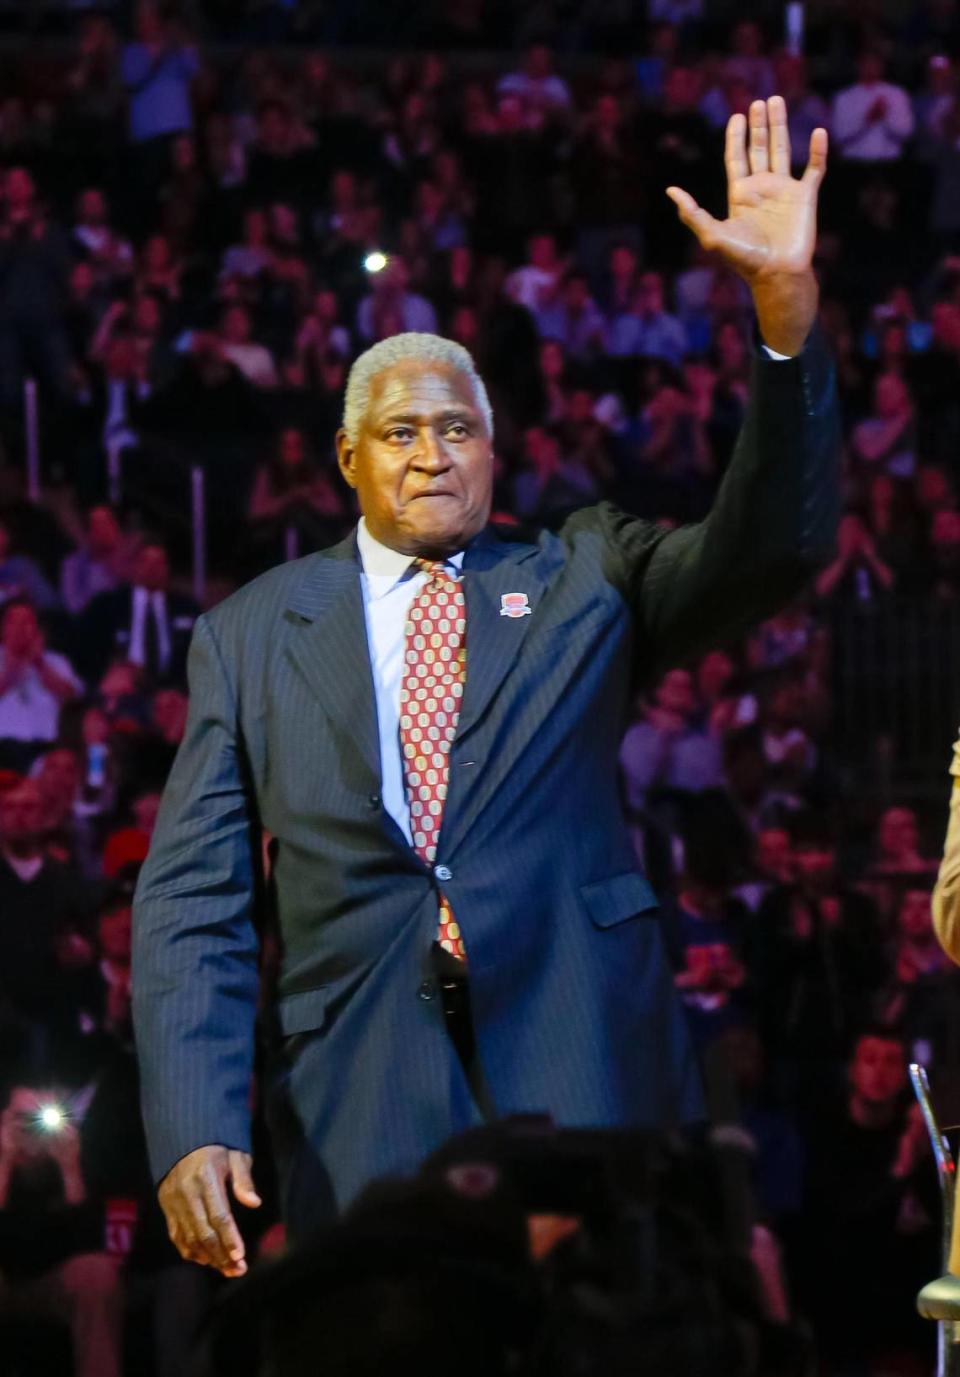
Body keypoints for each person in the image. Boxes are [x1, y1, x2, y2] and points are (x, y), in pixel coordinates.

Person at [132, 98, 839, 1279]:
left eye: (458, 429)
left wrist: (782, 316)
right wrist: (196, 1121)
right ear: (348, 457)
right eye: (401, 431)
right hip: (361, 1078)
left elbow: (771, 542)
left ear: (494, 452)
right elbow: (193, 899)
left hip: (578, 1052)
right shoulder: (249, 634)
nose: (432, 453)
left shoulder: (584, 575)